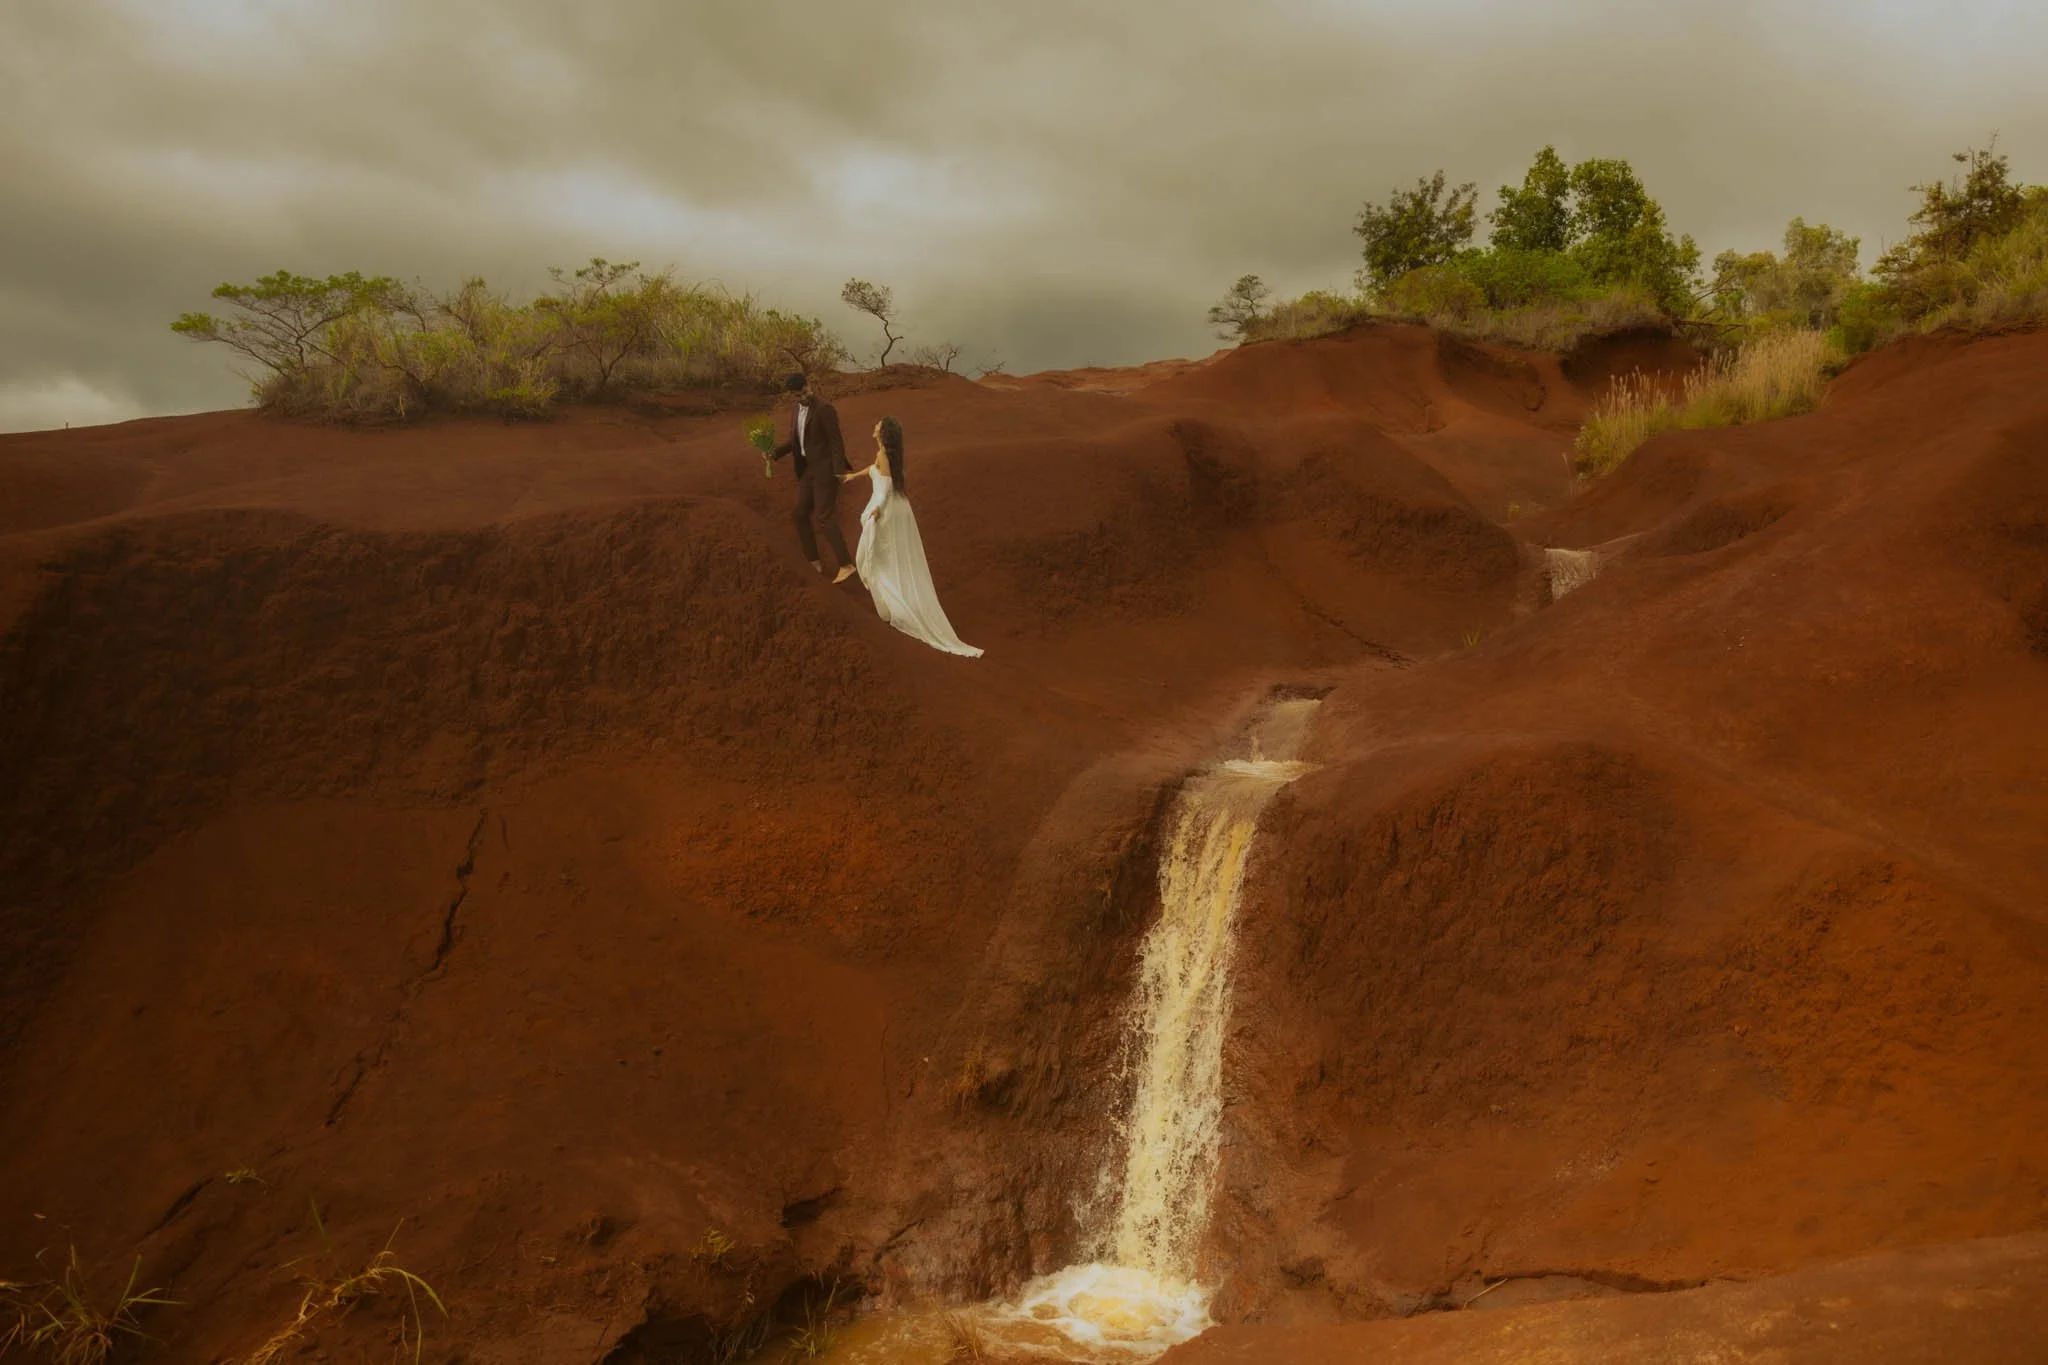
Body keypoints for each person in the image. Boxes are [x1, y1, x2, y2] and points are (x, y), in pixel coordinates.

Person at [842, 416, 982, 657]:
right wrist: (853, 476)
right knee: (886, 554)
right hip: (894, 508)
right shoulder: (884, 454)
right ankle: (891, 604)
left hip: (887, 509)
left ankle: (895, 606)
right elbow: (874, 471)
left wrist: (877, 510)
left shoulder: (884, 455)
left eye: (878, 425)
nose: (874, 426)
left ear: (883, 432)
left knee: (878, 553)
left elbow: (885, 487)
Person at [769, 372, 855, 583]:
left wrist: (838, 471)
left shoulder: (824, 408)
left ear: (808, 385)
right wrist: (774, 453)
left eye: (805, 392)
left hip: (826, 470)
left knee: (824, 517)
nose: (803, 398)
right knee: (799, 513)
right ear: (792, 395)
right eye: (798, 396)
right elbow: (794, 440)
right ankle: (813, 562)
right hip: (808, 470)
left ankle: (846, 564)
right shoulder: (797, 409)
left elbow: (836, 441)